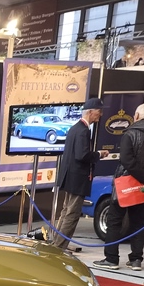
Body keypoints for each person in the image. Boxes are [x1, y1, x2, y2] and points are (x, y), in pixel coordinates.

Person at [94, 103, 144, 271]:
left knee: (114, 221)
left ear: (136, 116)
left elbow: (127, 160)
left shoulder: (130, 133)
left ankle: (111, 259)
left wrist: (142, 178)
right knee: (138, 223)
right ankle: (136, 260)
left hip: (125, 185)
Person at [51, 98, 109, 250]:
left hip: (70, 177)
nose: (100, 114)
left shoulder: (74, 128)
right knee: (72, 214)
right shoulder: (83, 131)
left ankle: (56, 243)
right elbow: (82, 155)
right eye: (99, 111)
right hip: (77, 179)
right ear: (90, 112)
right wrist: (99, 154)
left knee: (66, 211)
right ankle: (59, 247)